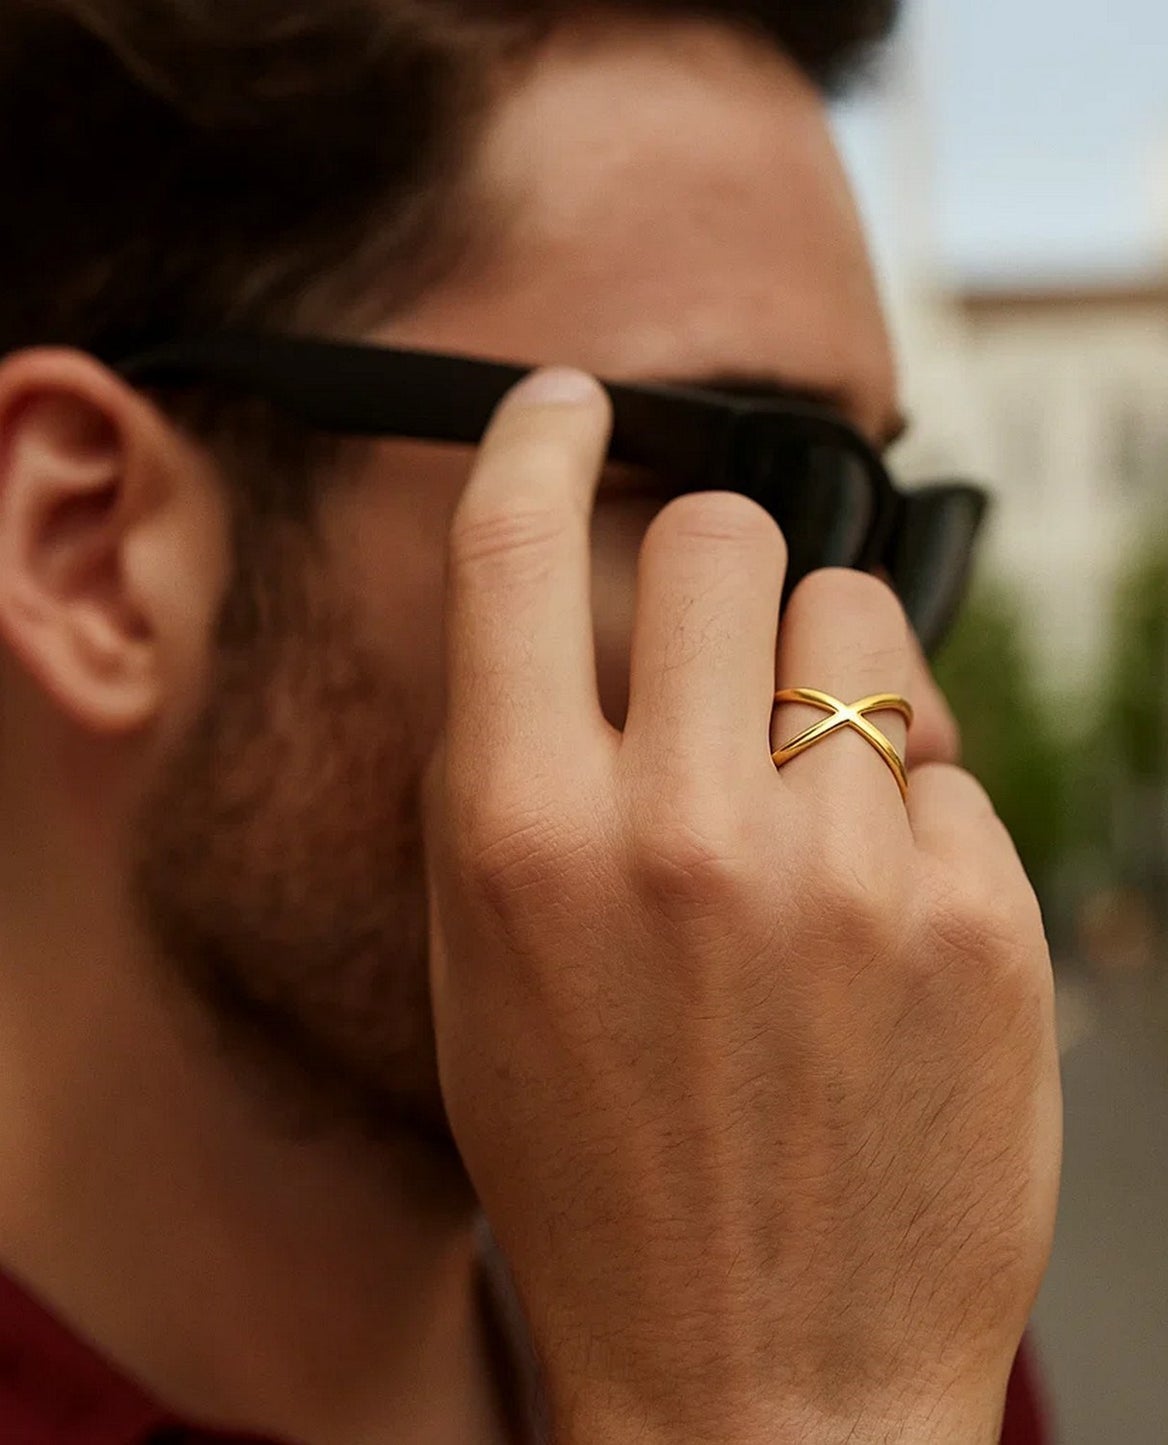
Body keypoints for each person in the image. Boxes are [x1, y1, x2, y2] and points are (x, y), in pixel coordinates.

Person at [0, 2, 1062, 1443]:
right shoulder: (813, 1352)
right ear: (93, 553)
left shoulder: (854, 1302)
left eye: (893, 533)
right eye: (744, 492)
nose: (914, 725)